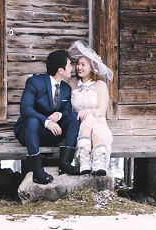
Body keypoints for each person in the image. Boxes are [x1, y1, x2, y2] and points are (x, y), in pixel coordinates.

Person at [13, 49, 81, 184]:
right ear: (60, 70)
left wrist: (58, 114)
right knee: (32, 120)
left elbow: (67, 111)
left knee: (75, 116)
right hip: (30, 133)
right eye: (69, 65)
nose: (72, 68)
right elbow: (25, 109)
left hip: (52, 135)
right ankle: (37, 171)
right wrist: (46, 122)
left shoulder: (66, 88)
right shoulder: (34, 82)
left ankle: (65, 163)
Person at [69, 40, 113, 177]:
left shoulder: (100, 85)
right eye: (78, 64)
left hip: (97, 120)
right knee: (87, 124)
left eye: (83, 65)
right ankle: (85, 160)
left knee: (94, 127)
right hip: (79, 122)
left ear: (92, 67)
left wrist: (88, 112)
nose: (79, 67)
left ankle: (95, 162)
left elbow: (101, 111)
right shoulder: (72, 85)